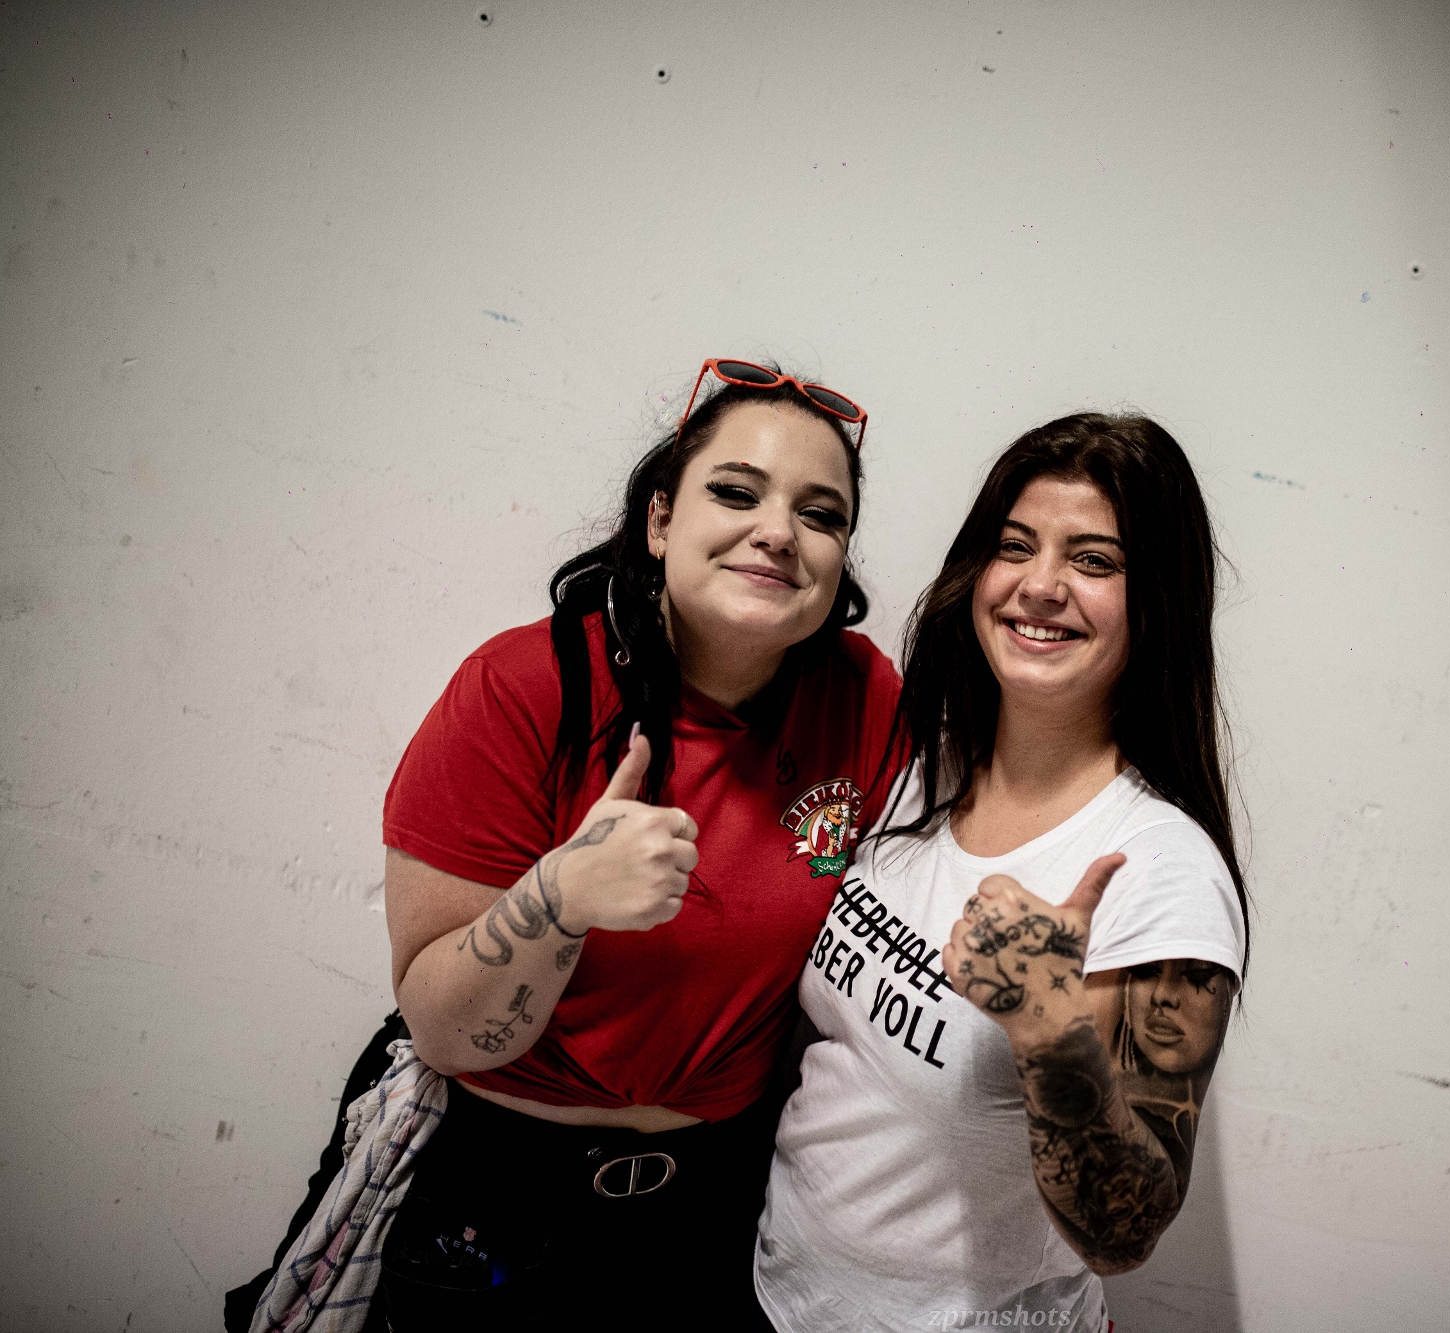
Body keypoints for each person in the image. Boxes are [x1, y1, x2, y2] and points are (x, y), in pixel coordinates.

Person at [363, 359, 900, 1327]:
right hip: (502, 1203)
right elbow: (442, 1033)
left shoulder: (863, 700)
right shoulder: (525, 686)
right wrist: (559, 896)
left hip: (721, 1204)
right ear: (659, 519)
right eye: (735, 492)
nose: (778, 531)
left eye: (820, 514)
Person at [754, 413, 1250, 1332]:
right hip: (778, 1296)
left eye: (1094, 561)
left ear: (1159, 603)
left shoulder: (1162, 869)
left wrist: (1048, 1024)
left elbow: (1124, 1230)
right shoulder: (919, 763)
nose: (1041, 585)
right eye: (1015, 546)